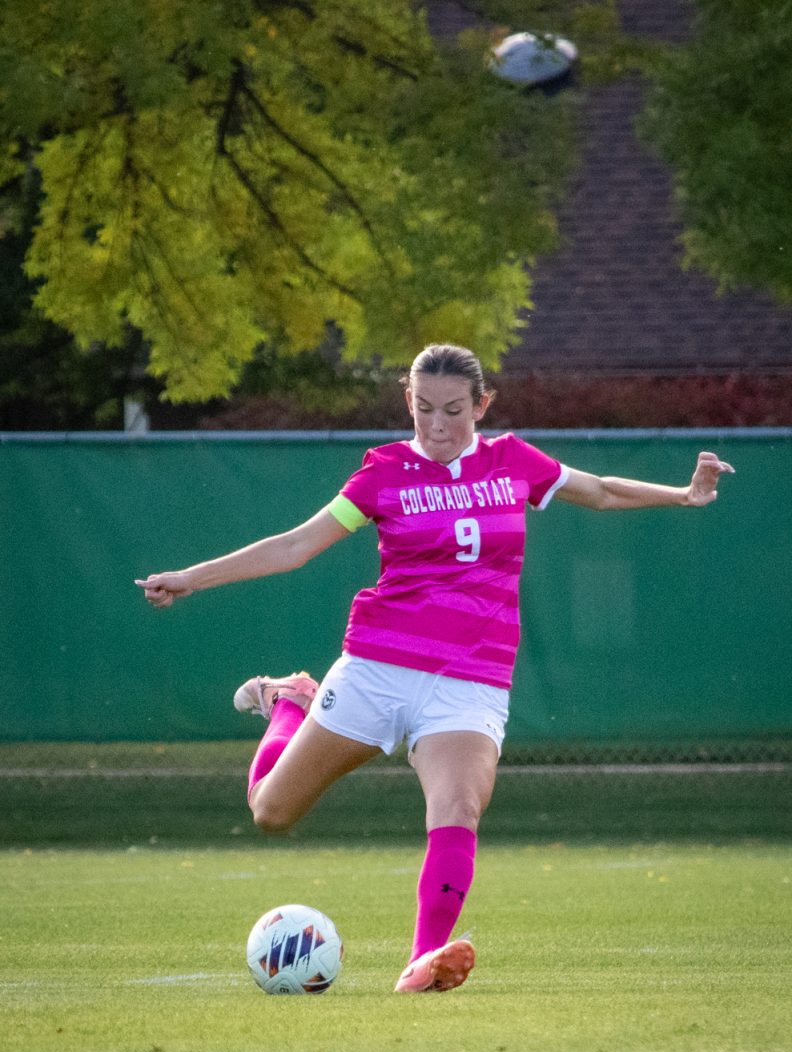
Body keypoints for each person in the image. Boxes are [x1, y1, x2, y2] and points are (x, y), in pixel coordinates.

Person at [136, 343, 734, 993]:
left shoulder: (513, 463)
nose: (437, 425)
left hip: (470, 678)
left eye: (453, 410)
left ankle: (423, 960)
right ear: (408, 404)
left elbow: (600, 491)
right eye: (423, 409)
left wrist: (684, 495)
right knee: (270, 812)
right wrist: (192, 579)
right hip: (376, 668)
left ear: (482, 406)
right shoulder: (383, 474)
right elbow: (295, 546)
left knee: (458, 806)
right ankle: (289, 702)